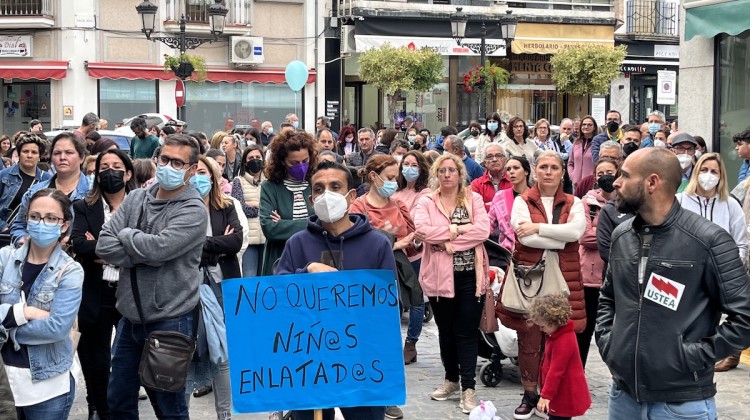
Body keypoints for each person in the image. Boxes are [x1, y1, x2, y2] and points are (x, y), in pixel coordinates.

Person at [596, 147, 750, 420]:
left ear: (652, 182)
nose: (616, 182)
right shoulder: (622, 235)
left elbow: (745, 317)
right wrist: (610, 343)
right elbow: (608, 298)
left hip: (681, 403)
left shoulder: (709, 240)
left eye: (625, 175)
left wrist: (692, 356)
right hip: (623, 397)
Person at [96, 134, 207, 419]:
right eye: (164, 159)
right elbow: (104, 245)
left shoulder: (193, 209)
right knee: (118, 399)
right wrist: (141, 247)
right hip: (129, 317)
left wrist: (128, 234)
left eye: (178, 162)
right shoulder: (136, 198)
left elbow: (159, 249)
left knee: (169, 406)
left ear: (192, 169)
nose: (168, 166)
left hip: (170, 318)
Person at [275, 160, 395, 420]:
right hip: (309, 362)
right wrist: (305, 272)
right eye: (319, 189)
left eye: (335, 186)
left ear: (351, 196)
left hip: (361, 362)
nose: (326, 194)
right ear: (311, 198)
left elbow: (387, 308)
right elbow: (277, 295)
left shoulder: (377, 245)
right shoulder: (297, 243)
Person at [498, 150, 586, 420]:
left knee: (560, 340)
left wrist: (537, 228)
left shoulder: (575, 202)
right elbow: (526, 240)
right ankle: (530, 394)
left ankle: (554, 395)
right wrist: (557, 236)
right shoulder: (522, 201)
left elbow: (576, 233)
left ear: (562, 172)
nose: (548, 172)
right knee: (530, 339)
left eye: (554, 167)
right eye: (544, 167)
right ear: (536, 171)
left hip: (564, 277)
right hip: (531, 279)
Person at [413, 153, 491, 414]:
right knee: (446, 332)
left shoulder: (473, 198)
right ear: (436, 174)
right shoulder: (426, 202)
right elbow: (422, 231)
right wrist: (457, 229)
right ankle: (450, 379)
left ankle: (468, 388)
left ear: (460, 174)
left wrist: (446, 243)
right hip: (438, 277)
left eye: (452, 170)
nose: (447, 175)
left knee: (466, 332)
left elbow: (482, 230)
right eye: (442, 171)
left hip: (471, 275)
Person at [0, 188, 83, 418]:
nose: (41, 223)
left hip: (47, 385)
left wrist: (6, 330)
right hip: (5, 380)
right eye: (34, 217)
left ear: (64, 225)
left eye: (51, 218)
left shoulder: (70, 271)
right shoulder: (5, 258)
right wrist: (23, 312)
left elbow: (57, 328)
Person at [70, 149, 133, 420]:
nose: (109, 171)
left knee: (128, 357)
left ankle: (123, 405)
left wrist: (103, 248)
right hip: (95, 292)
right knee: (95, 358)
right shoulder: (84, 206)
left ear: (128, 173)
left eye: (116, 166)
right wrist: (125, 248)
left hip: (130, 291)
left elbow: (148, 246)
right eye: (104, 167)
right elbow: (81, 245)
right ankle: (98, 407)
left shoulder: (141, 205)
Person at [678, 153, 748, 372]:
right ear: (696, 172)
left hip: (718, 279)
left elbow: (741, 242)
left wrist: (729, 271)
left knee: (710, 323)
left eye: (714, 171)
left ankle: (702, 366)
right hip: (686, 278)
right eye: (704, 170)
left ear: (721, 176)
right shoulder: (679, 202)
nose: (709, 176)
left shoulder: (730, 205)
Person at [186, 156, 243, 420]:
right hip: (186, 286)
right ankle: (179, 412)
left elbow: (235, 241)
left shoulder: (226, 205)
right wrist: (215, 244)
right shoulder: (180, 208)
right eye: (194, 172)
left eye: (203, 172)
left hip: (221, 284)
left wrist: (203, 244)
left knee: (222, 349)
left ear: (213, 175)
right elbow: (179, 244)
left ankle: (225, 415)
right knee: (185, 349)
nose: (199, 176)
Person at [10, 132, 90, 247]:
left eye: (69, 152)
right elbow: (19, 225)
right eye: (57, 153)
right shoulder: (34, 192)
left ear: (81, 157)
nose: (62, 157)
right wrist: (22, 240)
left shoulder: (93, 192)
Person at [576, 157, 619, 367]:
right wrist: (615, 233)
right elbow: (585, 238)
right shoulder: (587, 203)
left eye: (609, 172)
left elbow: (632, 236)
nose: (605, 177)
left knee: (617, 333)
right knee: (584, 332)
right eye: (600, 173)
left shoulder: (627, 203)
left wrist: (599, 231)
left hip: (617, 276)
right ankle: (577, 378)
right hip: (589, 278)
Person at [259, 130, 316, 276]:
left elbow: (326, 223)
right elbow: (270, 229)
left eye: (305, 161)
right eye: (294, 163)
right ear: (283, 161)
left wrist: (284, 223)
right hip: (280, 259)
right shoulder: (270, 187)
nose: (301, 166)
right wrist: (312, 223)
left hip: (313, 257)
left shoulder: (316, 184)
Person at [529, 294, 591, 420]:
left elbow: (556, 371)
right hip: (559, 392)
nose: (541, 329)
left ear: (553, 322)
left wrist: (545, 396)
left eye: (543, 326)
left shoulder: (564, 340)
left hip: (564, 393)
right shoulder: (557, 335)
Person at [0, 134, 51, 233]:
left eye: (34, 152)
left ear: (39, 156)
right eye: (25, 151)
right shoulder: (3, 176)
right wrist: (3, 227)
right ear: (19, 154)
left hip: (32, 234)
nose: (29, 155)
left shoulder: (47, 179)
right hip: (4, 234)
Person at [231, 145, 266, 277]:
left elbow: (273, 208)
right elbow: (240, 208)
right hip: (248, 241)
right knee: (249, 279)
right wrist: (262, 208)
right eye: (251, 158)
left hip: (266, 238)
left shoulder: (269, 182)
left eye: (258, 157)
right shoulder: (238, 181)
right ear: (245, 161)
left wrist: (255, 204)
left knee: (266, 279)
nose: (255, 160)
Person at [488, 155, 531, 251]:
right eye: (508, 169)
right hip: (506, 252)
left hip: (532, 249)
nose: (511, 172)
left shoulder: (536, 197)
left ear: (526, 171)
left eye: (516, 168)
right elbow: (488, 225)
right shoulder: (500, 196)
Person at [471, 143, 511, 212]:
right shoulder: (477, 184)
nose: (494, 159)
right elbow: (475, 209)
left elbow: (517, 207)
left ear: (505, 160)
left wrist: (488, 205)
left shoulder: (514, 180)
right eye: (490, 157)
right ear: (484, 162)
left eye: (499, 156)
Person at [568, 115, 597, 190]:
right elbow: (570, 163)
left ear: (594, 127)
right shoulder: (576, 143)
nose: (586, 127)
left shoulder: (597, 143)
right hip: (576, 184)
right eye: (584, 124)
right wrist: (572, 175)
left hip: (591, 185)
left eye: (589, 125)